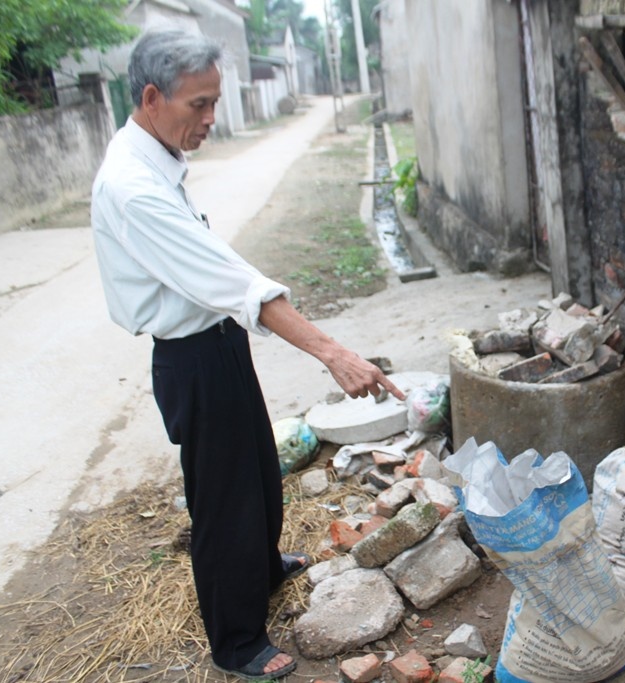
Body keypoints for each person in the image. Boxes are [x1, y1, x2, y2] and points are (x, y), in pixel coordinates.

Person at [90, 29, 403, 681]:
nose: (210, 119)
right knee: (224, 496)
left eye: (214, 103)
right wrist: (331, 351)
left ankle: (262, 569)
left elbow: (221, 270)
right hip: (191, 358)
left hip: (218, 343)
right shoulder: (132, 186)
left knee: (258, 468)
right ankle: (236, 641)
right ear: (152, 97)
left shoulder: (156, 159)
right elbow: (232, 284)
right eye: (198, 105)